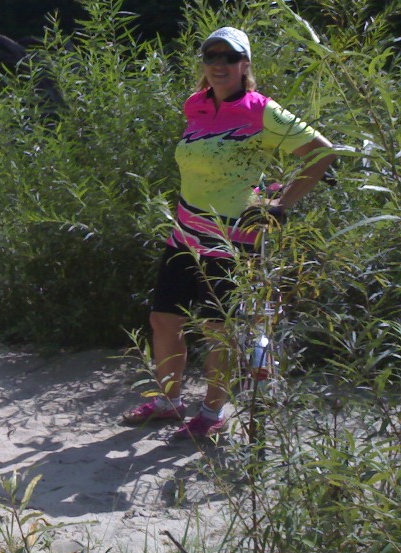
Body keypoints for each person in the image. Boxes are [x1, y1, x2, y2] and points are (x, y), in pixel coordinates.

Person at [122, 26, 337, 440]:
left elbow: (322, 151)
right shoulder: (196, 104)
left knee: (217, 329)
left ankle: (211, 412)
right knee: (163, 319)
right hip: (185, 232)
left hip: (232, 238)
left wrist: (281, 204)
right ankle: (169, 402)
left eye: (229, 57)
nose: (219, 64)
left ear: (245, 64)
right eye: (211, 56)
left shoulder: (262, 110)